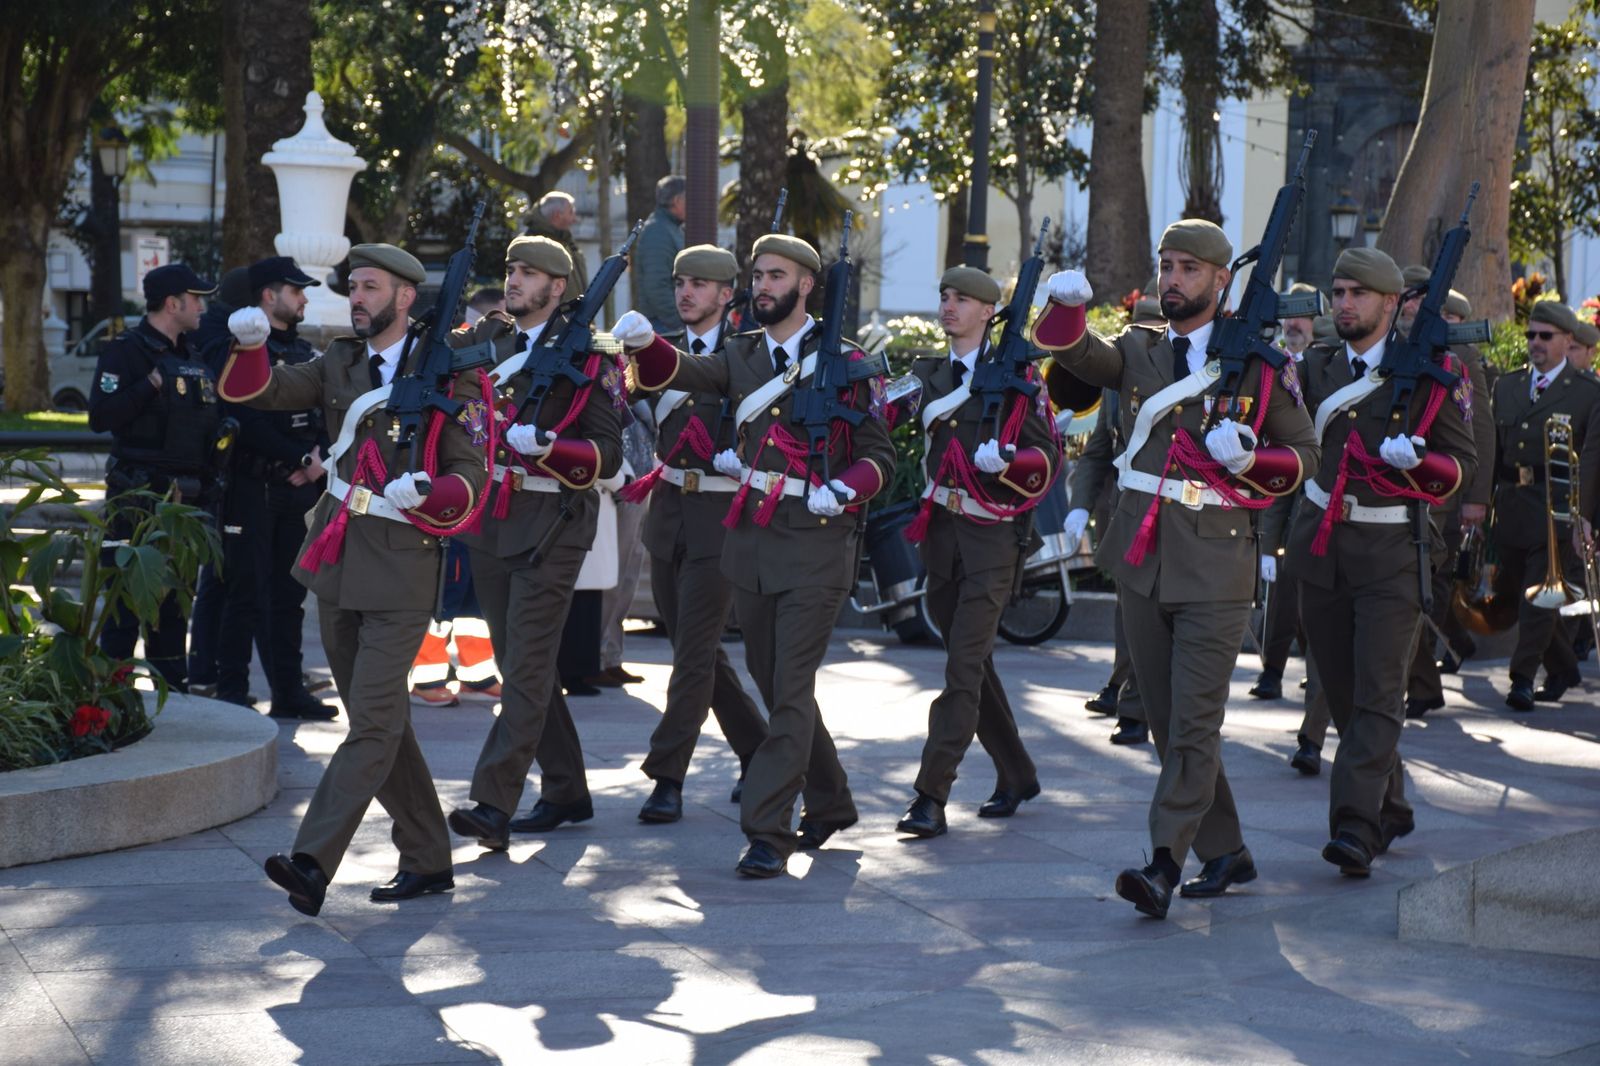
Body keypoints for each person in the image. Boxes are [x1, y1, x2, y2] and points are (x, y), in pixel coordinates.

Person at [1032, 220, 1318, 919]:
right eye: (1166, 265)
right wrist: (1065, 303)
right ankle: (1227, 851)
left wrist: (1253, 460)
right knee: (1165, 723)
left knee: (1193, 726)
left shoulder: (1258, 365)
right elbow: (1073, 353)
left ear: (1222, 280)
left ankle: (1162, 863)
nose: (1172, 279)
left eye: (1188, 268)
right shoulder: (1138, 350)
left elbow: (1306, 454)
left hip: (1218, 564)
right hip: (1141, 557)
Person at [217, 242, 491, 914]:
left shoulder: (449, 371)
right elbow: (262, 392)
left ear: (405, 296)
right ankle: (428, 858)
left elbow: (473, 473)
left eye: (370, 287)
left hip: (401, 567)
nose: (357, 297)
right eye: (354, 287)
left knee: (369, 722)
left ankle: (313, 860)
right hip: (337, 557)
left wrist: (432, 490)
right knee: (384, 720)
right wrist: (250, 344)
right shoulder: (341, 360)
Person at [616, 230, 896, 878]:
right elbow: (682, 371)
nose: (764, 286)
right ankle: (832, 801)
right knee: (776, 687)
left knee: (791, 688)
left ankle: (769, 829)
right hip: (751, 542)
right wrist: (643, 346)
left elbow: (878, 456)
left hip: (819, 545)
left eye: (777, 277)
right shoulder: (741, 357)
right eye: (758, 276)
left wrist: (845, 489)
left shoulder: (849, 364)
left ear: (804, 286)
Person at [1286, 247, 1477, 878]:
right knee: (1341, 696)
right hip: (1321, 550)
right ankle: (1390, 805)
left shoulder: (1429, 372)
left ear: (1391, 305)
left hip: (1393, 553)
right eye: (1337, 292)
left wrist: (1419, 465)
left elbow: (1462, 465)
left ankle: (1355, 827)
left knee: (1376, 698)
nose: (1343, 304)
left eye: (1356, 294)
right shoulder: (1313, 369)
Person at [444, 235, 623, 851]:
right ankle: (568, 788)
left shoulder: (593, 355)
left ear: (558, 286)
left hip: (553, 521)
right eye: (511, 268)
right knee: (524, 664)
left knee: (524, 666)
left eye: (528, 272)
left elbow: (609, 453)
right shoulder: (487, 341)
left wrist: (551, 449)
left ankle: (493, 802)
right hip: (491, 515)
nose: (514, 279)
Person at [892, 266, 1055, 839]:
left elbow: (1048, 459)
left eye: (962, 299)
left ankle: (930, 795)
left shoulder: (1018, 377)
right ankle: (1017, 772)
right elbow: (883, 418)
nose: (948, 306)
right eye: (944, 296)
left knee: (961, 669)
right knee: (974, 665)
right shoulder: (928, 374)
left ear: (990, 312)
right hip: (942, 538)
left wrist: (1011, 464)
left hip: (992, 540)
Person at [621, 244, 770, 824]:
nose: (686, 292)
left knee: (690, 656)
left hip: (720, 519)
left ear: (726, 294)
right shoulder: (660, 354)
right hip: (667, 515)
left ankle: (667, 776)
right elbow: (621, 402)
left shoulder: (747, 357)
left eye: (700, 285)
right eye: (681, 281)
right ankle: (758, 749)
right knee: (697, 653)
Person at [210, 256, 336, 720]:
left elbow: (328, 412)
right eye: (296, 290)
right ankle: (231, 694)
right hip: (253, 487)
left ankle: (288, 692)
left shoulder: (305, 353)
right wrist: (298, 458)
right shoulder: (241, 352)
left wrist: (318, 460)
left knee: (289, 595)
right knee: (244, 593)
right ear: (268, 295)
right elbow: (242, 415)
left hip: (300, 489)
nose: (304, 298)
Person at [89, 263, 223, 690]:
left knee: (174, 607)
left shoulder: (193, 353)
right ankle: (113, 698)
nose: (202, 307)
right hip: (136, 500)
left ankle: (173, 694)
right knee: (125, 604)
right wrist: (148, 386)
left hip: (185, 503)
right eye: (196, 299)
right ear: (172, 303)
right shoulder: (125, 352)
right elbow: (100, 416)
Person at [1490, 301, 1600, 710]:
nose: (1535, 343)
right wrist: (1480, 506)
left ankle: (1521, 678)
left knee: (1536, 600)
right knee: (1523, 594)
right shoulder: (1508, 385)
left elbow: (1592, 462)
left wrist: (1585, 518)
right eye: (1531, 335)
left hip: (1557, 510)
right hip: (1513, 506)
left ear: (1568, 340)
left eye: (1545, 336)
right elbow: (1495, 453)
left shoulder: (1588, 394)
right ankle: (1564, 667)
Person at [1066, 290, 1160, 746]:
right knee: (1130, 607)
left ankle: (1137, 702)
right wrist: (1079, 505)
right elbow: (1100, 448)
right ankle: (1128, 691)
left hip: (1174, 512)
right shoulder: (1116, 383)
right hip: (1126, 512)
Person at [1400, 272, 1495, 715]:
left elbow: (1479, 430)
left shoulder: (1459, 354)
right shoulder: (1394, 345)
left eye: (1414, 299)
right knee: (1414, 591)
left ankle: (1419, 683)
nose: (1407, 308)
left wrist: (1476, 497)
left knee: (1425, 589)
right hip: (1401, 491)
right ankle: (1421, 684)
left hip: (1445, 493)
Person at [1250, 282, 1319, 702]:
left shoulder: (1325, 364)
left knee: (1311, 590)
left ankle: (1316, 666)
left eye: (1302, 316)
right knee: (1281, 588)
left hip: (1317, 485)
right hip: (1277, 484)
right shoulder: (1268, 364)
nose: (1293, 324)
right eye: (1288, 315)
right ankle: (1273, 670)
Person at [634, 175, 687, 334]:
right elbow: (657, 286)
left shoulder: (668, 228)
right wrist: (679, 323)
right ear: (677, 201)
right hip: (664, 326)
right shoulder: (658, 232)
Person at [525, 191, 589, 300]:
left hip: (576, 314)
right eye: (571, 212)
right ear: (557, 216)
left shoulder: (567, 241)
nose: (575, 219)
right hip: (554, 316)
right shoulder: (531, 246)